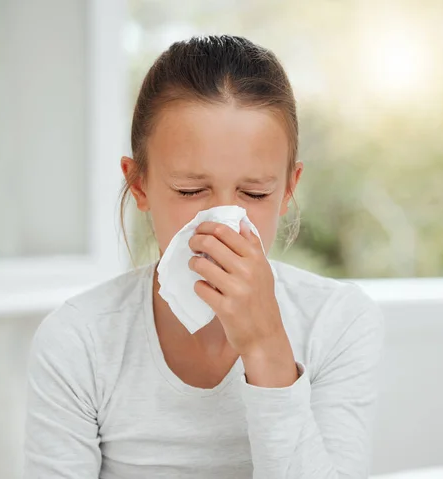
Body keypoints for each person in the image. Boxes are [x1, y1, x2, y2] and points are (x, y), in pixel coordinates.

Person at [24, 35, 384, 479]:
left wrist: (266, 345)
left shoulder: (338, 323)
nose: (222, 222)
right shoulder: (78, 341)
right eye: (191, 191)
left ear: (288, 189)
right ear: (139, 186)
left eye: (254, 193)